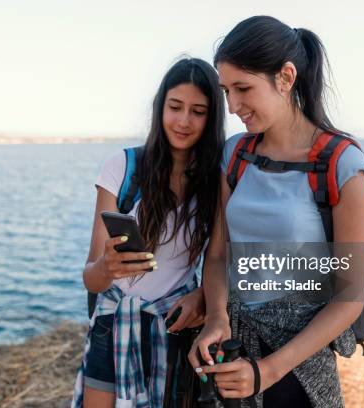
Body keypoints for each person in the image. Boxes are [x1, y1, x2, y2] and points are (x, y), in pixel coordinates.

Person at [188, 16, 364, 408]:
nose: (233, 106)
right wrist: (216, 318)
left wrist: (268, 370)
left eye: (243, 88)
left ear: (286, 78)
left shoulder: (342, 165)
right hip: (232, 355)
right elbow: (219, 254)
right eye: (226, 91)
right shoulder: (235, 154)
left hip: (298, 369)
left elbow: (350, 295)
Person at [71, 57, 225, 408]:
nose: (183, 121)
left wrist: (203, 295)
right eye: (175, 107)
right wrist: (106, 267)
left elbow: (218, 257)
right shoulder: (122, 167)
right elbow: (91, 279)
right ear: (160, 108)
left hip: (176, 327)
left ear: (212, 117)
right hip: (113, 325)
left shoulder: (216, 180)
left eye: (198, 111)